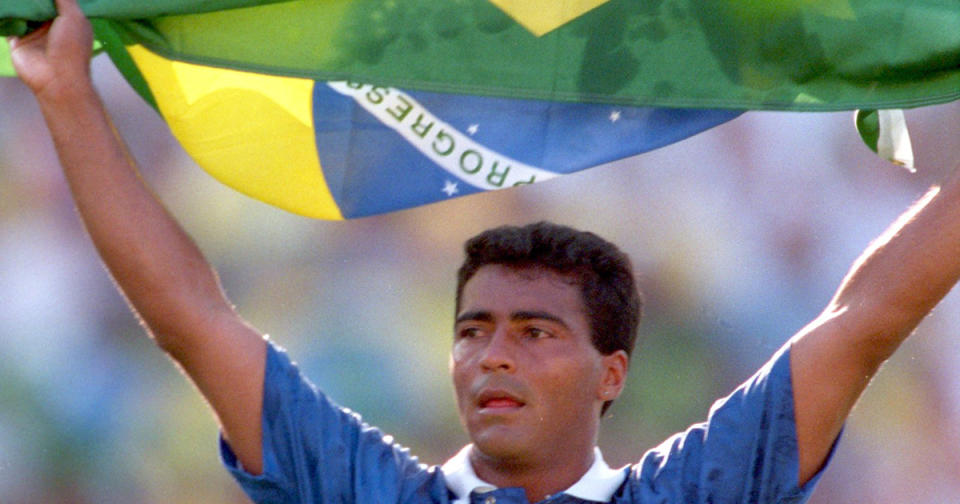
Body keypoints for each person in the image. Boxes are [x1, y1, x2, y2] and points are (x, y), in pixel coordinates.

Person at [10, 0, 960, 502]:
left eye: (537, 331)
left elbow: (866, 321)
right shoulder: (365, 493)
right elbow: (192, 320)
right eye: (475, 330)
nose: (492, 355)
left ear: (611, 373)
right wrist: (65, 96)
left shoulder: (695, 492)